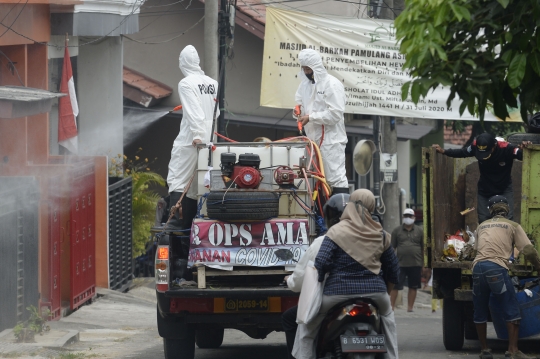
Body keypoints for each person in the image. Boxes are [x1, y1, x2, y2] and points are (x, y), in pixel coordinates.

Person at [293, 189, 400, 359]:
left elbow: (320, 263)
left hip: (336, 293)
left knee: (308, 327)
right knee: (388, 322)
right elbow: (394, 272)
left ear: (350, 204)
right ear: (372, 206)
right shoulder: (381, 235)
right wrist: (384, 294)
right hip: (376, 293)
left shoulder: (335, 232)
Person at [281, 193, 350, 359]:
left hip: (333, 296)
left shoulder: (324, 242)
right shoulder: (372, 236)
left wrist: (290, 281)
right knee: (387, 322)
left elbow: (306, 274)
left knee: (304, 326)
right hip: (374, 294)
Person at [473, 195, 540, 359]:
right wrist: (538, 266)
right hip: (496, 269)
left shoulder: (481, 226)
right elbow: (529, 250)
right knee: (512, 309)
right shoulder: (513, 225)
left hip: (477, 269)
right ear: (507, 209)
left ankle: (485, 350)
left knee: (480, 311)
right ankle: (512, 350)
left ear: (490, 210)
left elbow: (475, 250)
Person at [166, 45, 219, 232]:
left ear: (183, 63)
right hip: (209, 139)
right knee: (199, 182)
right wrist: (205, 135)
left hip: (191, 140)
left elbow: (193, 111)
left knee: (178, 176)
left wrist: (197, 134)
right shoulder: (212, 83)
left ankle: (178, 222)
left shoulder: (186, 83)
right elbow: (215, 112)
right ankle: (194, 222)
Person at [432, 133, 529, 223]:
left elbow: (524, 156)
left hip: (504, 187)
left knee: (508, 218)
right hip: (485, 189)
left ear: (494, 146)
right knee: (483, 219)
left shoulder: (507, 147)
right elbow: (462, 152)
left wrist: (526, 148)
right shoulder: (475, 145)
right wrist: (444, 151)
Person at [294, 49, 349, 195]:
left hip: (331, 142)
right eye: (304, 69)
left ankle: (339, 215)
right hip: (312, 142)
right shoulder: (304, 86)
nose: (306, 72)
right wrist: (298, 113)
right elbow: (299, 104)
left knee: (334, 178)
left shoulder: (331, 84)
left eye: (308, 69)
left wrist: (311, 117)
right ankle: (319, 215)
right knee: (313, 179)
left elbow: (335, 114)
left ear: (316, 67)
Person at [390, 208, 424, 312]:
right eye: (406, 216)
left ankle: (410, 307)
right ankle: (391, 306)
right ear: (403, 217)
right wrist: (391, 263)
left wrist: (424, 264)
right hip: (400, 263)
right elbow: (392, 247)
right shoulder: (397, 231)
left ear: (414, 218)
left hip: (416, 263)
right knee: (395, 286)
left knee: (413, 286)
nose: (408, 218)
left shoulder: (419, 231)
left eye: (410, 216)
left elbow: (423, 248)